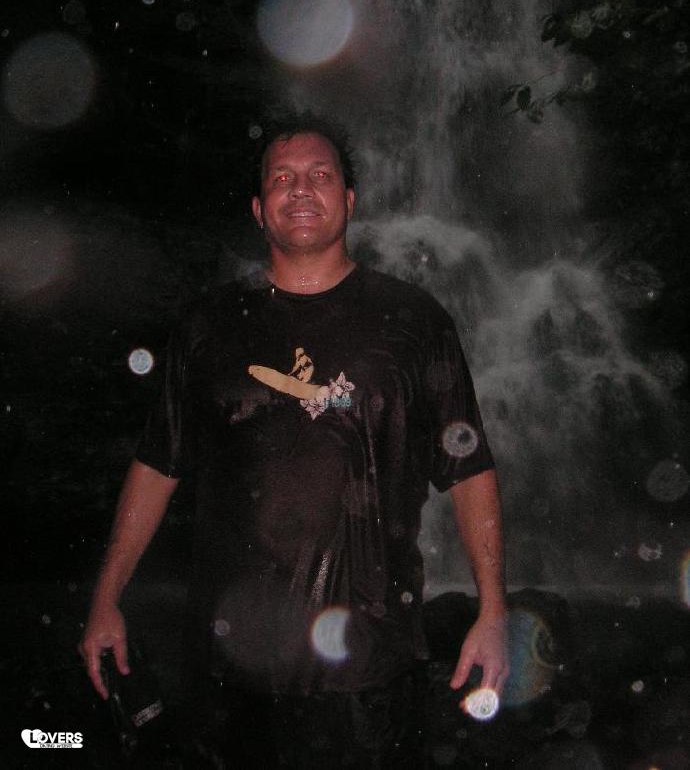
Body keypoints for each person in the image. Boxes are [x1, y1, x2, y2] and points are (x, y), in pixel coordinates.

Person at [80, 114, 509, 766]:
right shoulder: (208, 325)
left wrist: (493, 608)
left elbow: (469, 469)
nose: (300, 189)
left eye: (319, 175)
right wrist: (106, 597)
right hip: (228, 669)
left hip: (369, 670)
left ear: (349, 200)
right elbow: (157, 465)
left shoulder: (414, 321)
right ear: (259, 208)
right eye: (281, 178)